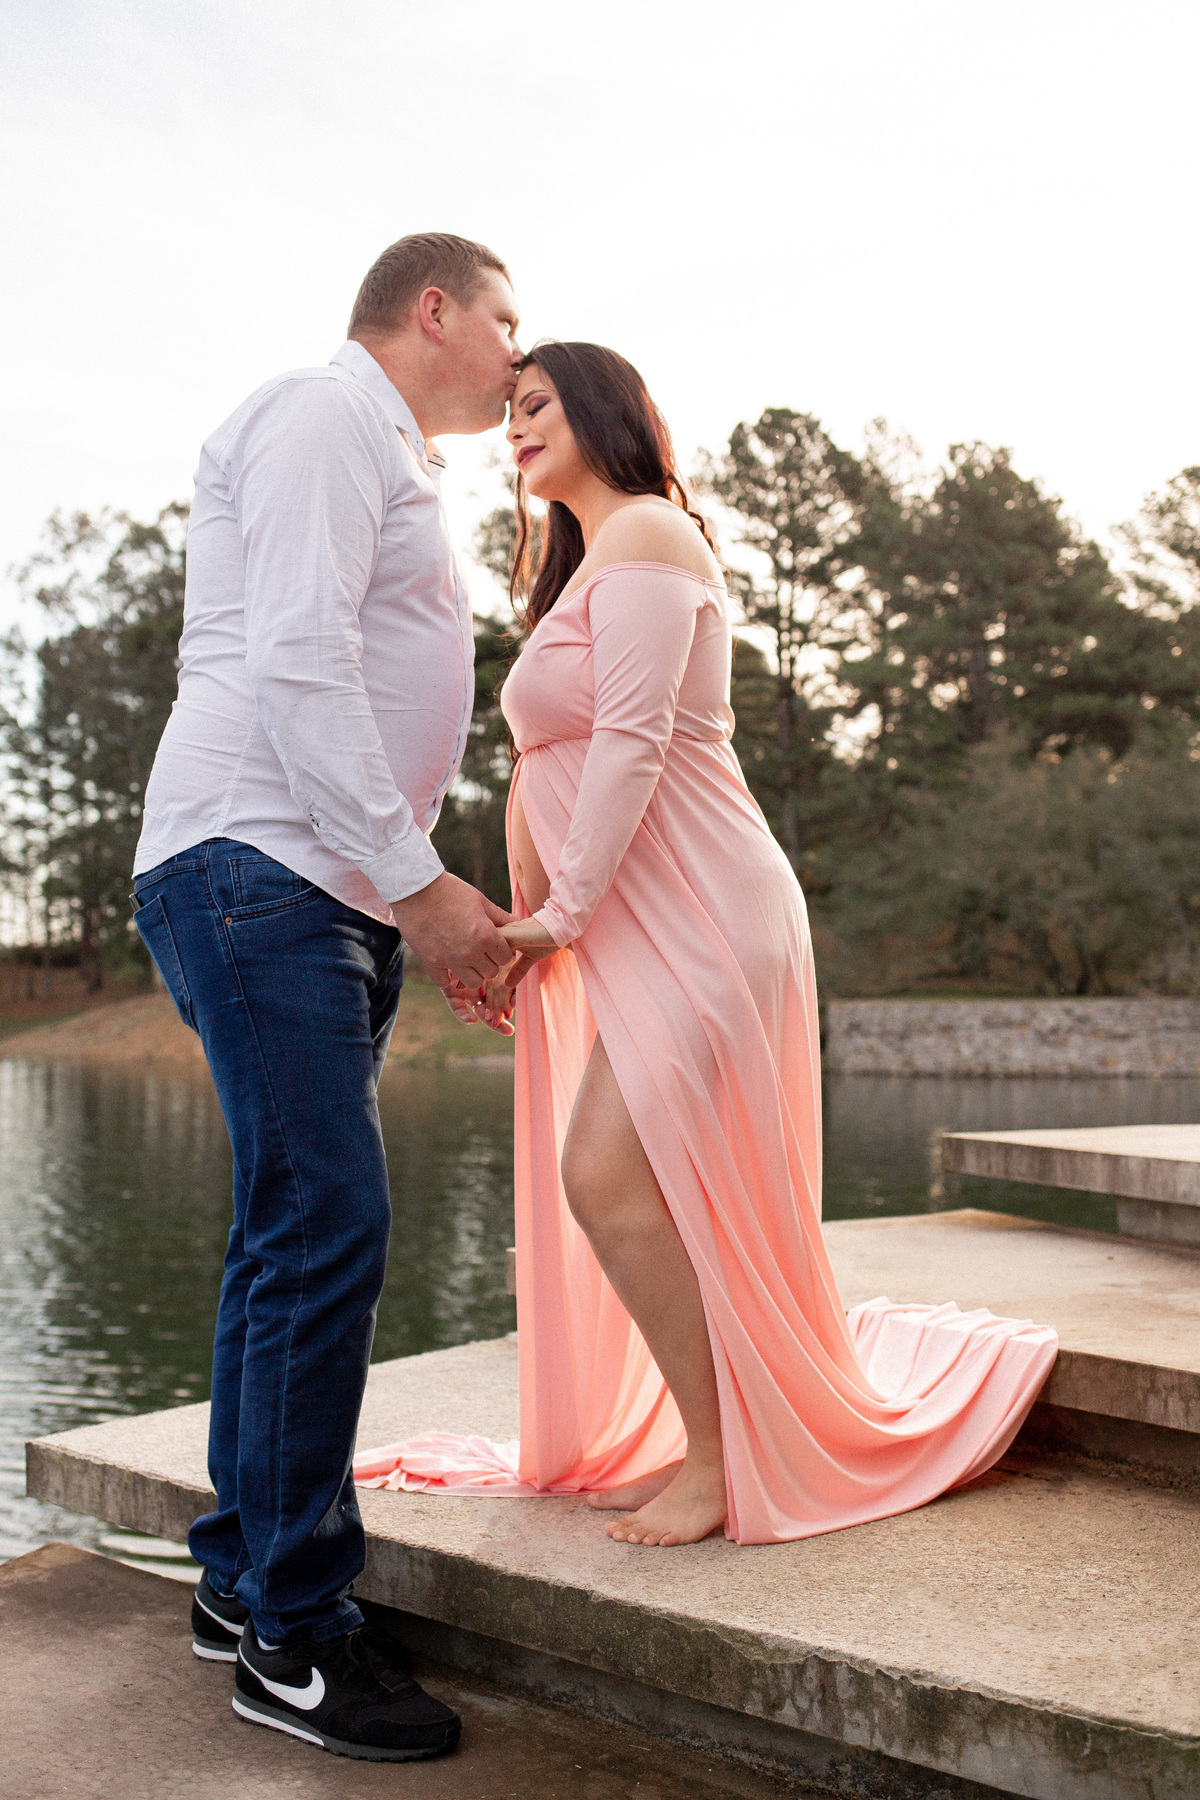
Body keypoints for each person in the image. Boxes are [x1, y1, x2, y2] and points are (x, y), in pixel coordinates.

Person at [355, 341, 1058, 1549]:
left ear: (606, 414)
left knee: (607, 1175)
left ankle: (725, 1459)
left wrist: (558, 916)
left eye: (538, 405)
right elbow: (567, 765)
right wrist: (543, 933)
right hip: (632, 920)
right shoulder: (587, 568)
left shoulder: (648, 536)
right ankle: (708, 1435)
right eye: (509, 410)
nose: (515, 427)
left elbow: (628, 744)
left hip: (704, 914)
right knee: (645, 1178)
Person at [131, 232, 523, 1761]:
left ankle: (243, 1575)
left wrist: (405, 881)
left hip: (315, 879)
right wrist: (422, 888)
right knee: (327, 1224)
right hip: (261, 862)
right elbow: (297, 657)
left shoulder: (386, 455)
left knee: (287, 1228)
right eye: (506, 319)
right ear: (434, 309)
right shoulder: (321, 412)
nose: (515, 351)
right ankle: (298, 1638)